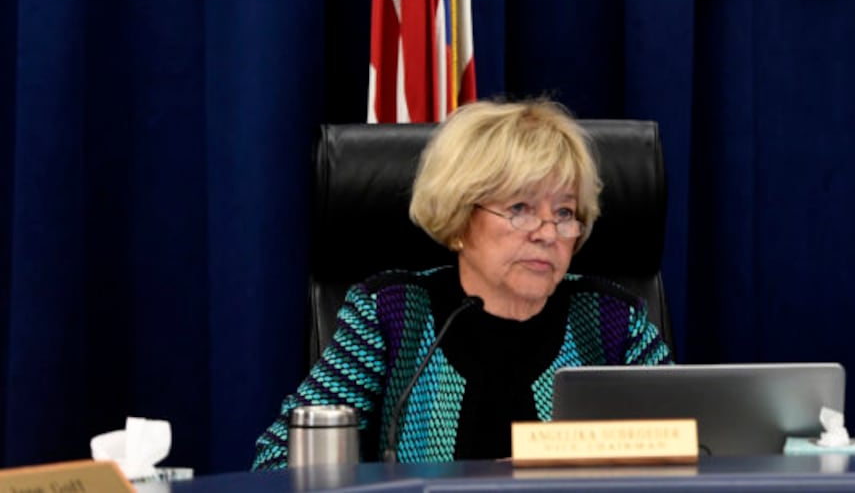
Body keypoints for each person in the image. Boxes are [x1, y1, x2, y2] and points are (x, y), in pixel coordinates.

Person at [252, 98, 671, 469]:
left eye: (564, 213)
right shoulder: (393, 314)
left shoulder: (612, 321)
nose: (547, 232)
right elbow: (279, 459)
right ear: (459, 217)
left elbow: (698, 448)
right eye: (520, 208)